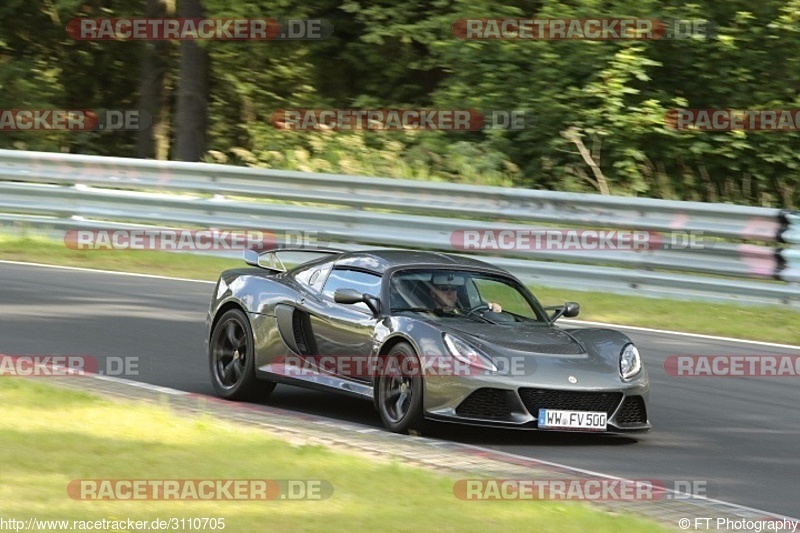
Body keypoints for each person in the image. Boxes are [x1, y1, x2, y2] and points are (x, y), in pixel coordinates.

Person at [430, 283, 502, 315]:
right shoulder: (424, 312)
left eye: (453, 289)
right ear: (433, 293)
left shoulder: (464, 309)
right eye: (444, 288)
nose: (450, 293)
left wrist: (491, 307)